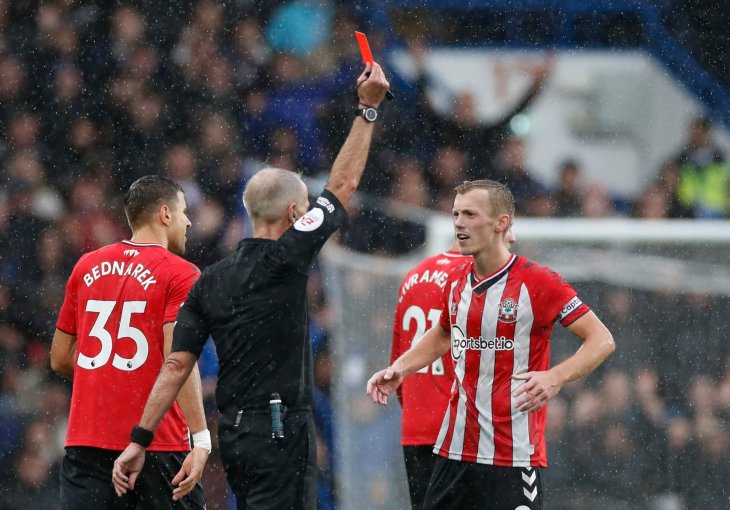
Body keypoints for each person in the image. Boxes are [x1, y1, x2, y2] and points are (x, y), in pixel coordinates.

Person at [112, 62, 391, 509]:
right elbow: (343, 184)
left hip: (236, 435)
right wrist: (368, 110)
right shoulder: (288, 255)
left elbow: (175, 367)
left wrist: (139, 438)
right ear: (296, 216)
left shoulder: (208, 280)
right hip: (281, 431)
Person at [368, 179, 615, 510]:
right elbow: (444, 331)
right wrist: (401, 367)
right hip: (453, 453)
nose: (458, 223)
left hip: (510, 456)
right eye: (456, 214)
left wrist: (554, 377)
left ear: (502, 224)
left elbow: (601, 339)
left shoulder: (538, 281)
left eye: (470, 214)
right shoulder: (456, 280)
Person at [50, 175, 209, 509]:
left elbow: (61, 358)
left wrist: (108, 378)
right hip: (158, 444)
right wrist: (201, 437)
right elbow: (177, 361)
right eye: (183, 212)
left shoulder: (86, 265)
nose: (189, 221)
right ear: (165, 214)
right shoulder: (181, 273)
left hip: (86, 442)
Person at [391, 228, 516, 509]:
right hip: (463, 433)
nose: (512, 242)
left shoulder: (413, 276)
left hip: (417, 428)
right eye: (508, 233)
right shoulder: (479, 280)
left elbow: (398, 367)